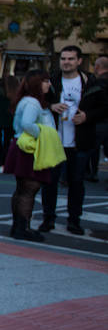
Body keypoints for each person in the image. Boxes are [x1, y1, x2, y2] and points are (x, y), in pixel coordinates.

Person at [39, 46, 108, 235]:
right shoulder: (52, 81)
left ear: (79, 61)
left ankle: (74, 221)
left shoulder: (90, 83)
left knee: (76, 183)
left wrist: (87, 116)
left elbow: (104, 108)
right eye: (63, 59)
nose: (66, 62)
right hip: (54, 140)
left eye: (70, 59)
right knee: (50, 182)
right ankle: (48, 219)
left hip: (80, 142)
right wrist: (52, 106)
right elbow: (38, 101)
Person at [4, 70, 55, 242]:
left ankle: (18, 226)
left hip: (20, 146)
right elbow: (27, 123)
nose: (48, 84)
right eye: (44, 81)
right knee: (29, 189)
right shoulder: (33, 102)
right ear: (35, 84)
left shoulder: (25, 100)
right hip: (29, 148)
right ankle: (22, 227)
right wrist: (42, 132)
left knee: (22, 189)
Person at [85, 55, 108, 182]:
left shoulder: (97, 83)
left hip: (99, 121)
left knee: (92, 149)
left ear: (98, 67)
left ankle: (91, 172)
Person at [0, 74, 19, 173]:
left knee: (1, 143)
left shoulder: (0, 92)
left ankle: (3, 163)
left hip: (0, 121)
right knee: (10, 142)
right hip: (13, 121)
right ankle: (9, 163)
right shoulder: (17, 94)